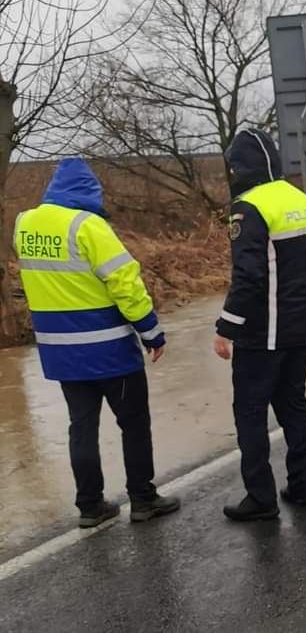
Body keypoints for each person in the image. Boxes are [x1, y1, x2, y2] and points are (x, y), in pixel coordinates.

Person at [15, 158, 180, 528]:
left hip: (60, 353)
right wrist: (151, 332)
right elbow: (126, 284)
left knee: (82, 427)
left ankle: (90, 506)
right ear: (89, 192)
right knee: (134, 424)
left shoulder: (23, 224)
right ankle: (143, 499)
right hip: (109, 350)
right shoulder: (89, 225)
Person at [214, 129, 306, 522]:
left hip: (262, 335)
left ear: (240, 167)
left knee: (250, 413)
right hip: (298, 329)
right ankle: (303, 485)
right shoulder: (301, 200)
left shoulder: (248, 208)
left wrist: (226, 327)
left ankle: (261, 498)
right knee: (294, 407)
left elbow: (249, 276)